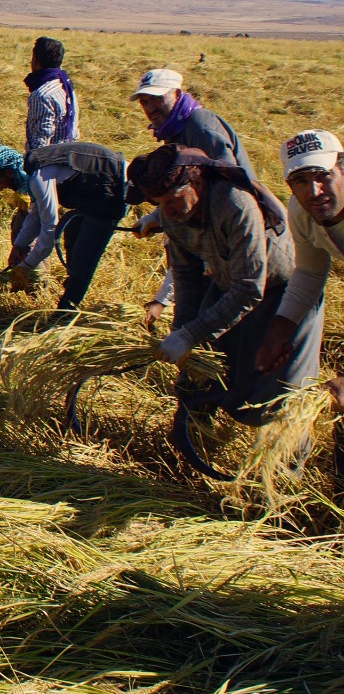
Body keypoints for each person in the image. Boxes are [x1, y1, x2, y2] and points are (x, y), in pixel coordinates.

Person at [127, 145, 310, 453]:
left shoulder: (235, 204)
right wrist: (182, 330)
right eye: (160, 205)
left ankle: (282, 464)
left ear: (197, 183)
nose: (167, 212)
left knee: (276, 385)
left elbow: (250, 287)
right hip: (228, 283)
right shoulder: (175, 212)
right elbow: (186, 274)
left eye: (172, 201)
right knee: (197, 371)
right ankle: (189, 445)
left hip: (282, 291)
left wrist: (191, 334)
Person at [131, 68, 257, 326]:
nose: (150, 107)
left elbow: (226, 182)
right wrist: (157, 217)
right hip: (208, 234)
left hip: (228, 236)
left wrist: (167, 218)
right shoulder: (174, 130)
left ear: (177, 94)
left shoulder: (199, 126)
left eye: (157, 98)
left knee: (220, 313)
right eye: (144, 101)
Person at [256, 130, 344, 407]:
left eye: (323, 175)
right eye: (301, 181)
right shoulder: (301, 212)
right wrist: (277, 334)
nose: (314, 192)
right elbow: (310, 272)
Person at [0, 141, 129, 310]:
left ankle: (65, 312)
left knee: (83, 257)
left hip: (114, 188)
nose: (0, 189)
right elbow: (36, 215)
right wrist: (19, 245)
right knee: (72, 238)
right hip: (92, 196)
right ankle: (72, 290)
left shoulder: (39, 176)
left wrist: (25, 267)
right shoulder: (31, 170)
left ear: (9, 172)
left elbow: (50, 228)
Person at [24, 35, 78, 151]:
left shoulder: (42, 95)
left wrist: (31, 159)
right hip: (69, 152)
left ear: (35, 60)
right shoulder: (65, 83)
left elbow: (41, 140)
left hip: (51, 158)